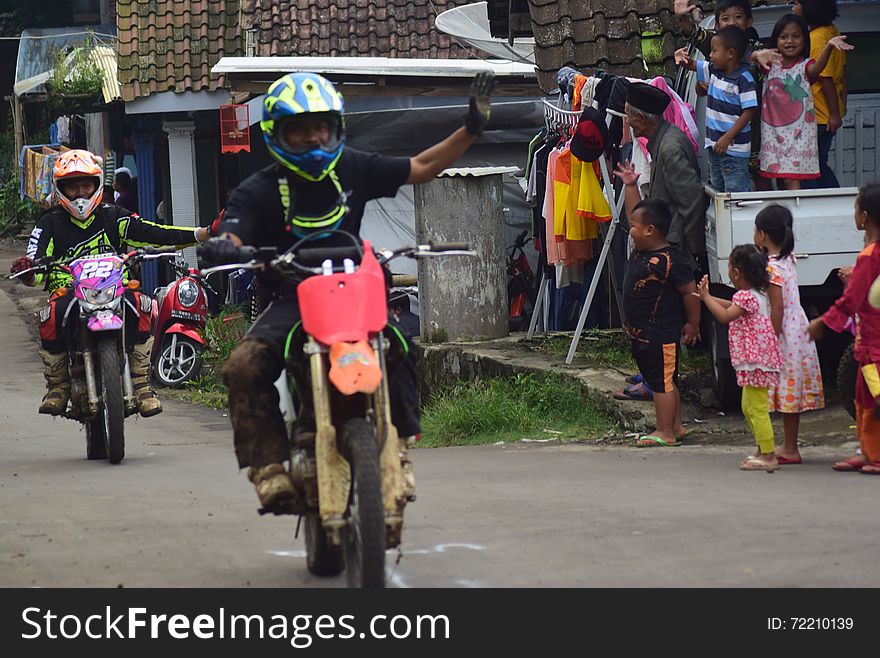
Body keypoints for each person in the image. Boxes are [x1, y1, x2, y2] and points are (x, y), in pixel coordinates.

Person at [200, 71, 496, 509]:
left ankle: (397, 446)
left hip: (353, 291)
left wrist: (471, 128)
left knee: (397, 344)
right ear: (277, 134)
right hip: (293, 299)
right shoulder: (257, 189)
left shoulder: (354, 166)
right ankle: (268, 467)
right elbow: (236, 231)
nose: (313, 138)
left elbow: (423, 167)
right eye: (299, 130)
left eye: (320, 126)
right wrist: (228, 245)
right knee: (243, 366)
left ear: (335, 127)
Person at [9, 149, 220, 417]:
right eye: (72, 187)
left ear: (97, 184)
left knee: (144, 305)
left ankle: (142, 383)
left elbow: (152, 232)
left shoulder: (114, 215)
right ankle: (58, 386)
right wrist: (28, 270)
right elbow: (34, 262)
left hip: (115, 289)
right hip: (70, 291)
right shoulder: (49, 222)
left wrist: (202, 233)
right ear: (61, 188)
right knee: (50, 315)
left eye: (86, 185)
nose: (81, 194)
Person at [807, 183, 880, 473]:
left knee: (874, 398)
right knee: (862, 398)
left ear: (864, 216)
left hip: (874, 343)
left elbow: (852, 299)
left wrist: (824, 322)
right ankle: (868, 450)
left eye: (855, 208)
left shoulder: (869, 256)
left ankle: (875, 454)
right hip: (867, 341)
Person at [621, 199, 700, 447]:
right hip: (643, 335)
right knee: (665, 381)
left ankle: (665, 431)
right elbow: (634, 209)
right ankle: (675, 426)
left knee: (662, 384)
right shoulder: (643, 251)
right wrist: (631, 184)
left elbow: (690, 292)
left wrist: (693, 324)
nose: (630, 230)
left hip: (659, 334)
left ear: (650, 230)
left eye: (633, 226)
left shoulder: (670, 261)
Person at [698, 245, 784, 471]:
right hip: (756, 361)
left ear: (736, 272)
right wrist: (708, 298)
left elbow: (726, 316)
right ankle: (762, 449)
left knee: (756, 408)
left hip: (757, 362)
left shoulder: (747, 296)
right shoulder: (754, 294)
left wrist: (707, 299)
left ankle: (768, 454)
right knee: (748, 406)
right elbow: (731, 306)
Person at [753, 205, 824, 464]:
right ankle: (790, 445)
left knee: (780, 388)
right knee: (790, 390)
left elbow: (777, 308)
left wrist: (770, 339)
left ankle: (784, 447)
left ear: (761, 234)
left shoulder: (771, 268)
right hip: (799, 330)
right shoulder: (788, 258)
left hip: (784, 333)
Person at [614, 83, 707, 275]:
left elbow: (692, 200)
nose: (627, 121)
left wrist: (695, 252)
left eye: (628, 115)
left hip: (678, 248)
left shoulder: (669, 148)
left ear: (640, 118)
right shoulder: (664, 140)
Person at [759, 13, 853, 189]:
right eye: (784, 36)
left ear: (805, 40)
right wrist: (757, 54)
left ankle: (795, 215)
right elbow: (748, 58)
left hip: (798, 135)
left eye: (796, 36)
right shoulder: (769, 65)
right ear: (776, 40)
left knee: (792, 179)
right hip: (774, 136)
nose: (790, 41)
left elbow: (818, 68)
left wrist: (829, 46)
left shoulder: (805, 66)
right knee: (781, 179)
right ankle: (788, 214)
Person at [675, 26, 757, 193]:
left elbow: (749, 112)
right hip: (714, 147)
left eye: (714, 51)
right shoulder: (714, 71)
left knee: (734, 194)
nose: (710, 55)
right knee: (718, 191)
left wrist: (728, 137)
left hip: (734, 150)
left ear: (731, 54)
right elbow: (690, 64)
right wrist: (680, 57)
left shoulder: (744, 79)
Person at [794, 0, 847, 189]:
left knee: (812, 167)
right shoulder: (832, 31)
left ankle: (833, 199)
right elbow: (844, 72)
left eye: (796, 3)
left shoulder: (816, 38)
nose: (793, 7)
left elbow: (826, 78)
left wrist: (833, 113)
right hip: (828, 114)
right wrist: (842, 105)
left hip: (819, 115)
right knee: (818, 163)